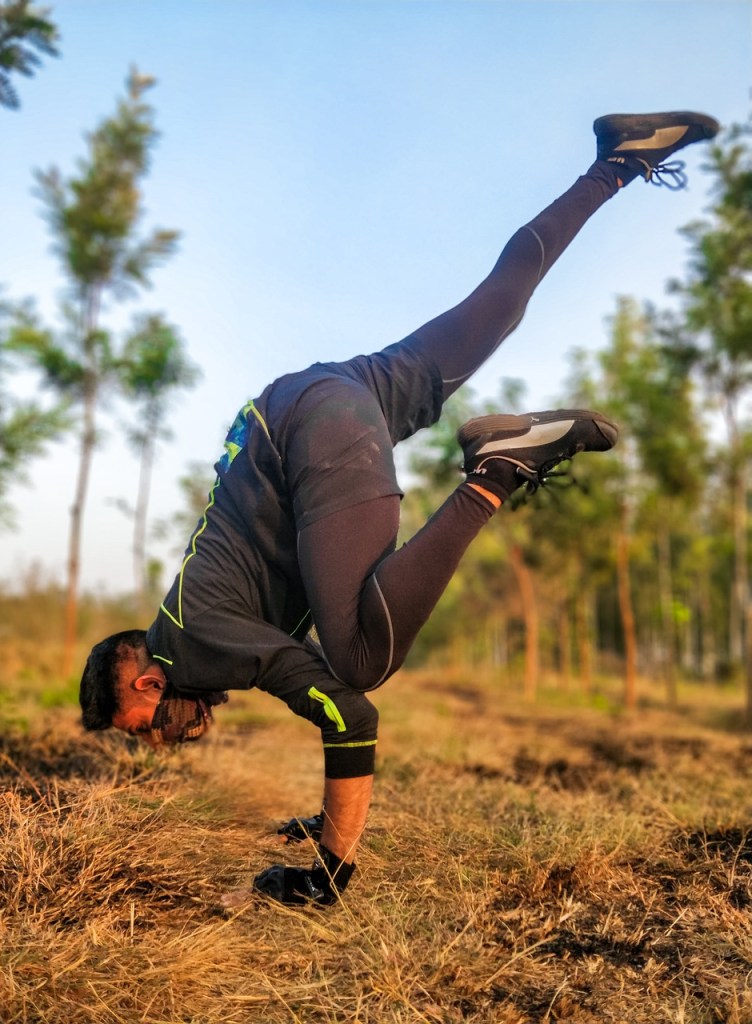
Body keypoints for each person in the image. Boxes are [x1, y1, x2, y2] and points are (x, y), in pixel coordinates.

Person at [79, 110, 719, 907]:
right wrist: (323, 817)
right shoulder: (195, 616)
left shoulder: (193, 647)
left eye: (142, 733)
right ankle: (616, 165)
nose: (160, 744)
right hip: (324, 396)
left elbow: (348, 712)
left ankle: (496, 473)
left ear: (141, 685)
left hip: (309, 435)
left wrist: (330, 870)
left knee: (359, 659)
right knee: (498, 306)